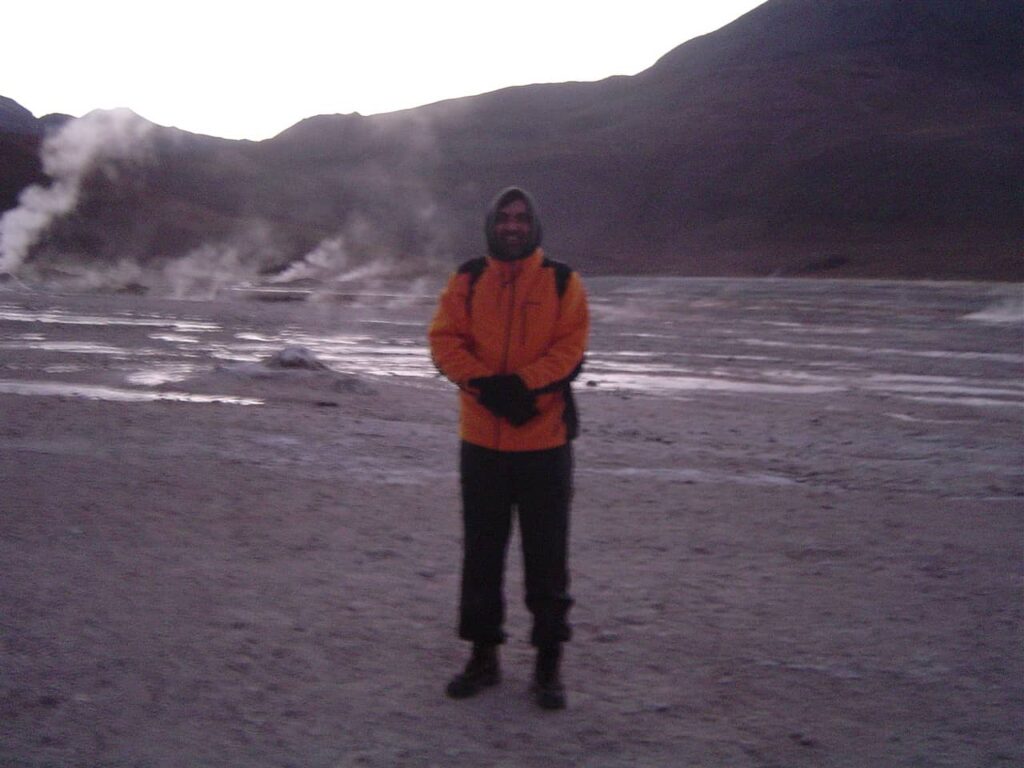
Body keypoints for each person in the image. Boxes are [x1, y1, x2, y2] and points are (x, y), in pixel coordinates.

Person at [428, 186, 589, 711]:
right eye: (504, 218)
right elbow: (444, 341)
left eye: (521, 218)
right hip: (482, 443)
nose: (513, 226)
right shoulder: (469, 279)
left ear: (534, 224)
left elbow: (570, 350)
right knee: (482, 555)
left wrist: (521, 387)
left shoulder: (563, 282)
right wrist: (486, 387)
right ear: (491, 224)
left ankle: (548, 665)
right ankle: (483, 656)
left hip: (544, 443)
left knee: (547, 558)